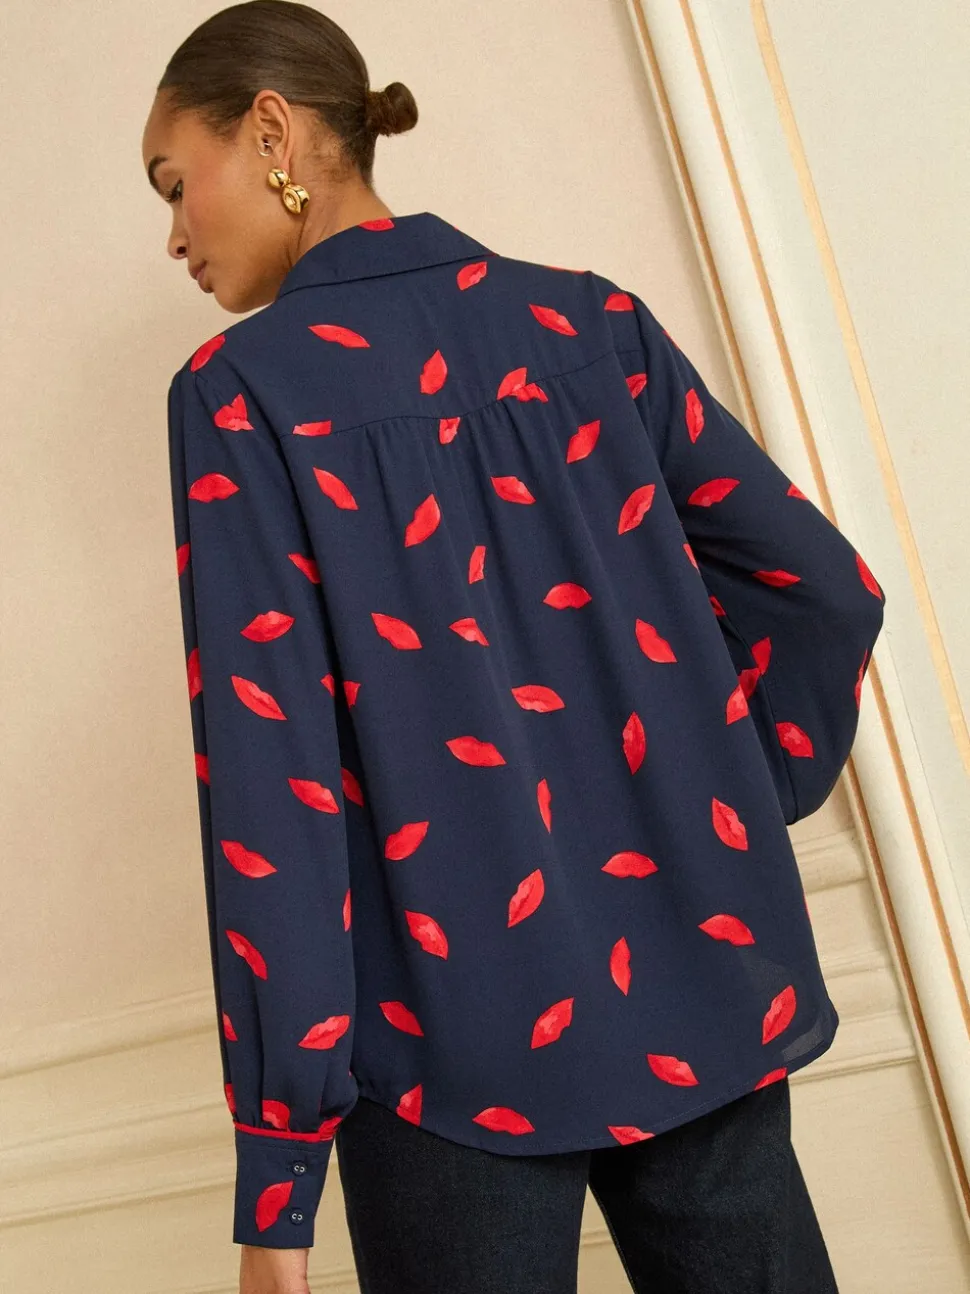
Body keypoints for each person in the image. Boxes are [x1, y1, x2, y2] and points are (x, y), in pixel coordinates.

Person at [143, 4, 886, 1292]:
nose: (173, 236)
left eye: (173, 183)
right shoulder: (591, 327)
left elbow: (275, 796)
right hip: (699, 974)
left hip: (440, 1043)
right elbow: (823, 592)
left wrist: (278, 1187)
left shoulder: (242, 396)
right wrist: (718, 810)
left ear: (271, 131)